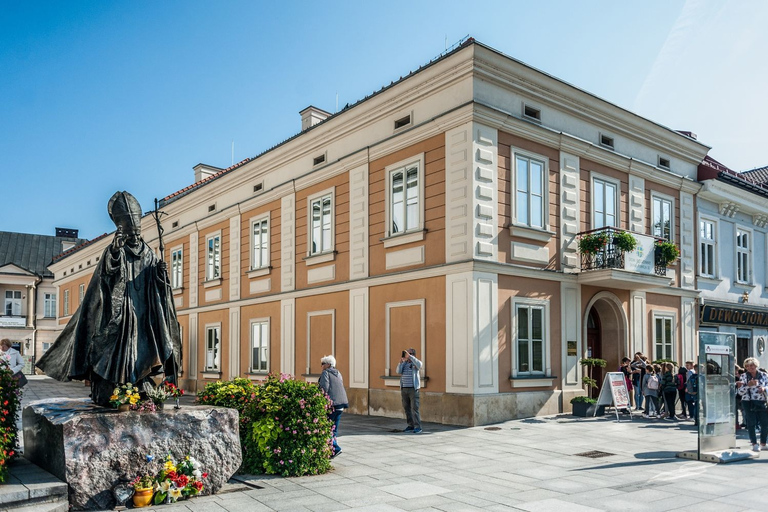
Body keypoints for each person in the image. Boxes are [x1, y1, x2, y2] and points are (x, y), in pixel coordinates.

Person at [37, 191, 181, 407]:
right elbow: (106, 274)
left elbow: (158, 285)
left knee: (143, 353)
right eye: (131, 233)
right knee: (111, 350)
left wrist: (161, 274)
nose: (135, 237)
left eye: (137, 232)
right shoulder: (114, 250)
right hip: (119, 314)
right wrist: (114, 250)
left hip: (143, 315)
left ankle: (139, 389)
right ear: (122, 230)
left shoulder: (149, 253)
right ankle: (113, 391)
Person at [318, 355, 348, 458]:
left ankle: (335, 449)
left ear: (328, 365)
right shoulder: (338, 373)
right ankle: (331, 450)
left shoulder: (326, 373)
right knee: (334, 429)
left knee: (327, 428)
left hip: (333, 404)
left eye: (322, 364)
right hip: (341, 405)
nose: (321, 366)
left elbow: (324, 388)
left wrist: (319, 399)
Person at [736, 357, 768, 452]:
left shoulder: (763, 375)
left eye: (752, 365)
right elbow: (740, 392)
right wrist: (747, 386)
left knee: (765, 423)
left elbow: (767, 385)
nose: (750, 367)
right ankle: (754, 443)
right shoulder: (744, 376)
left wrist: (763, 389)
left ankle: (763, 443)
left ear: (756, 365)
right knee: (751, 423)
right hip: (748, 401)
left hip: (761, 401)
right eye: (748, 366)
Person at [397, 348, 423, 433]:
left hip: (413, 389)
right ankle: (410, 425)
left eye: (409, 353)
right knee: (406, 408)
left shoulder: (415, 363)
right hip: (404, 389)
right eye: (406, 353)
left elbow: (420, 365)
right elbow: (398, 371)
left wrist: (411, 357)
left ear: (413, 355)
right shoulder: (404, 363)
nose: (407, 355)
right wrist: (401, 363)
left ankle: (418, 427)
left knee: (414, 409)